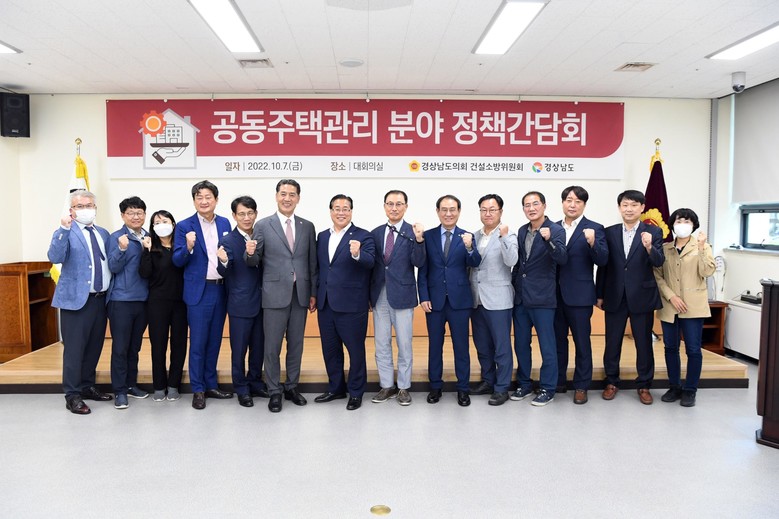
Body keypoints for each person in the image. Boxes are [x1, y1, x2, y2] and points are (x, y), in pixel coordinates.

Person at [246, 179, 317, 413]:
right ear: (276, 196)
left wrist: (313, 292)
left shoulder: (307, 226)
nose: (287, 198)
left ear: (298, 198)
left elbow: (312, 263)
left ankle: (292, 386)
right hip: (274, 294)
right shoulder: (263, 225)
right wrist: (250, 253)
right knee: (272, 346)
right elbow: (254, 261)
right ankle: (274, 390)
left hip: (300, 295)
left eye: (292, 194)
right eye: (283, 194)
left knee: (296, 344)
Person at [47, 190, 113, 414]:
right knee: (74, 351)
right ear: (72, 210)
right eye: (80, 206)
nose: (86, 209)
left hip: (100, 300)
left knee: (94, 347)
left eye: (89, 205)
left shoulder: (103, 233)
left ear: (95, 208)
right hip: (76, 301)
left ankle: (87, 386)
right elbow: (55, 257)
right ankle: (72, 394)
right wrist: (63, 228)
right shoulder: (66, 232)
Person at [596, 190, 664, 405]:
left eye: (634, 205)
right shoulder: (609, 232)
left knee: (643, 344)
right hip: (614, 296)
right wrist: (599, 294)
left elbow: (659, 261)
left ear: (642, 208)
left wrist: (649, 246)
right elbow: (603, 266)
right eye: (625, 205)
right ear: (619, 208)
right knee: (612, 342)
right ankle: (611, 382)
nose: (629, 209)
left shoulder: (653, 231)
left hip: (641, 296)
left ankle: (644, 385)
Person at [172, 180, 234, 410]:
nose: (204, 201)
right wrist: (188, 246)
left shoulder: (225, 222)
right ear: (194, 201)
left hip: (221, 289)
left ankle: (211, 385)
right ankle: (198, 389)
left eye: (208, 197)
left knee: (215, 340)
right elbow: (177, 260)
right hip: (199, 291)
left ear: (216, 200)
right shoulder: (184, 226)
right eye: (199, 197)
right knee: (198, 342)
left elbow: (230, 253)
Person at [313, 195, 376, 410]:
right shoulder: (322, 236)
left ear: (351, 211)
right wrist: (314, 294)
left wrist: (357, 254)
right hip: (326, 303)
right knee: (330, 350)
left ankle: (356, 392)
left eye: (346, 209)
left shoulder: (363, 236)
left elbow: (371, 262)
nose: (341, 212)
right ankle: (336, 388)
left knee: (355, 351)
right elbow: (320, 268)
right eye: (337, 208)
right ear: (331, 211)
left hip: (352, 304)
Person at [418, 195, 481, 407]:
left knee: (461, 347)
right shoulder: (428, 236)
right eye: (444, 209)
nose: (448, 213)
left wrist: (470, 247)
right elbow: (423, 270)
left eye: (452, 209)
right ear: (437, 211)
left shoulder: (467, 236)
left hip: (460, 302)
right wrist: (423, 296)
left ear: (459, 211)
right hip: (434, 302)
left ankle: (463, 388)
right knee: (435, 347)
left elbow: (475, 262)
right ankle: (435, 387)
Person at [369, 190, 425, 406]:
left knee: (404, 343)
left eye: (399, 204)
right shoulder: (375, 233)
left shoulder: (414, 232)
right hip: (379, 295)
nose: (394, 208)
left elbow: (419, 262)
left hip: (403, 295)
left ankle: (403, 387)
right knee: (381, 343)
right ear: (384, 206)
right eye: (390, 204)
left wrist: (419, 240)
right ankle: (386, 385)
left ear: (406, 207)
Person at [654, 208, 715, 407]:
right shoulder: (665, 249)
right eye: (679, 221)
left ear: (694, 225)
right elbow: (657, 276)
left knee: (693, 349)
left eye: (687, 221)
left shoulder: (703, 247)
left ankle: (690, 390)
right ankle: (674, 386)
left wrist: (701, 247)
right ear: (672, 225)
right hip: (670, 305)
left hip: (693, 306)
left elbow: (707, 272)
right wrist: (671, 296)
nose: (683, 225)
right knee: (670, 348)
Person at [511, 191, 567, 407]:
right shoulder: (522, 230)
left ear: (544, 206)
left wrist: (549, 239)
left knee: (547, 345)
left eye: (535, 204)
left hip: (543, 298)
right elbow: (520, 263)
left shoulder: (556, 230)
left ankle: (548, 388)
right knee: (521, 344)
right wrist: (515, 284)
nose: (531, 208)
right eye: (527, 205)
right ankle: (524, 384)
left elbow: (562, 257)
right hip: (521, 297)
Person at [554, 186, 608, 405]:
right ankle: (558, 381)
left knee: (582, 343)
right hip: (553, 296)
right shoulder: (553, 227)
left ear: (584, 205)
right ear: (562, 203)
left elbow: (603, 260)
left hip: (580, 296)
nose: (572, 205)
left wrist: (593, 243)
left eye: (578, 201)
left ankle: (581, 386)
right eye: (569, 200)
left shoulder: (594, 228)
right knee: (557, 342)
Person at [216, 196, 269, 408]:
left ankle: (255, 382)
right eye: (241, 214)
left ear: (256, 214)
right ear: (234, 216)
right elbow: (224, 271)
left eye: (250, 213)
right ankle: (241, 388)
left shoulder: (262, 236)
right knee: (239, 350)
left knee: (259, 348)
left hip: (264, 302)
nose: (246, 218)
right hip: (240, 303)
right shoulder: (228, 241)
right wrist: (223, 261)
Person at [469, 194, 518, 406]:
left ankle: (502, 387)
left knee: (501, 346)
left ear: (500, 212)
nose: (487, 213)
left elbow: (512, 260)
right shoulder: (474, 236)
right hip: (476, 299)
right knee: (482, 345)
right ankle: (488, 381)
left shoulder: (509, 235)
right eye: (484, 210)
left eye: (492, 209)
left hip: (498, 300)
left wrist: (504, 238)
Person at [139, 209, 187, 402]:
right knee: (158, 345)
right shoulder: (151, 246)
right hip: (157, 303)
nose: (161, 225)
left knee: (179, 344)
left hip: (181, 303)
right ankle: (159, 386)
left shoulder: (181, 246)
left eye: (165, 221)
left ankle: (174, 385)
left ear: (173, 224)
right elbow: (144, 273)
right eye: (157, 222)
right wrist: (146, 251)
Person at [107, 196, 150, 410]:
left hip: (143, 300)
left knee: (135, 347)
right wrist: (122, 249)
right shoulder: (116, 237)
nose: (136, 216)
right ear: (123, 216)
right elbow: (113, 267)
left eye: (139, 212)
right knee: (120, 348)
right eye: (131, 213)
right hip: (121, 300)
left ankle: (131, 384)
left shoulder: (149, 237)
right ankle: (120, 391)